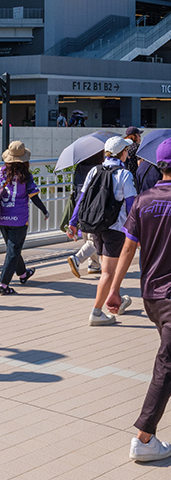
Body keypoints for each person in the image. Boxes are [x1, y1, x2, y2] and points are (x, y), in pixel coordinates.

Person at [106, 136, 171, 461]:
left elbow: (128, 248)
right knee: (167, 363)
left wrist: (116, 289)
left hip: (152, 296)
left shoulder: (145, 200)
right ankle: (144, 438)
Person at [68, 135, 136, 326]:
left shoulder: (94, 171)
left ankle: (116, 301)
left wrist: (73, 223)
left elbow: (81, 200)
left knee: (109, 270)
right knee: (108, 272)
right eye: (126, 151)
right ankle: (97, 312)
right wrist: (136, 231)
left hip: (95, 227)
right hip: (115, 228)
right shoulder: (124, 175)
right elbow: (132, 207)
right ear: (122, 154)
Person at [0, 141, 49, 295]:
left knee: (13, 249)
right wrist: (45, 211)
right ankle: (4, 285)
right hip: (19, 219)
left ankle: (23, 274)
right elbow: (34, 197)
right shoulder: (26, 176)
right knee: (13, 251)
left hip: (2, 217)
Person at [65, 151, 104, 279]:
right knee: (95, 240)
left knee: (88, 237)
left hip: (81, 207)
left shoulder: (80, 168)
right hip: (95, 209)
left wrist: (73, 220)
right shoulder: (98, 170)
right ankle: (77, 258)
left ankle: (94, 265)